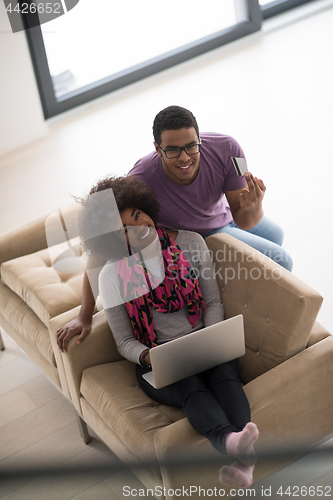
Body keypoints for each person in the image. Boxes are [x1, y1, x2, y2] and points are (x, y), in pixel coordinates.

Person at [74, 175, 260, 488]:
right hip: (155, 361)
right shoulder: (110, 277)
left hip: (206, 342)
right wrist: (148, 356)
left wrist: (210, 339)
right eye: (124, 230)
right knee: (190, 386)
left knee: (225, 376)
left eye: (137, 215)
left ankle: (241, 457)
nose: (138, 226)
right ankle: (231, 443)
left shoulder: (190, 243)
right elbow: (124, 341)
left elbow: (213, 303)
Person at [56, 104, 292, 350]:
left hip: (225, 215)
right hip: (204, 235)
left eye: (191, 146)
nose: (184, 157)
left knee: (277, 235)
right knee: (283, 261)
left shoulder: (228, 149)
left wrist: (254, 209)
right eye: (172, 150)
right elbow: (102, 247)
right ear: (157, 149)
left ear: (200, 138)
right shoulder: (141, 178)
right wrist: (85, 314)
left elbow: (243, 218)